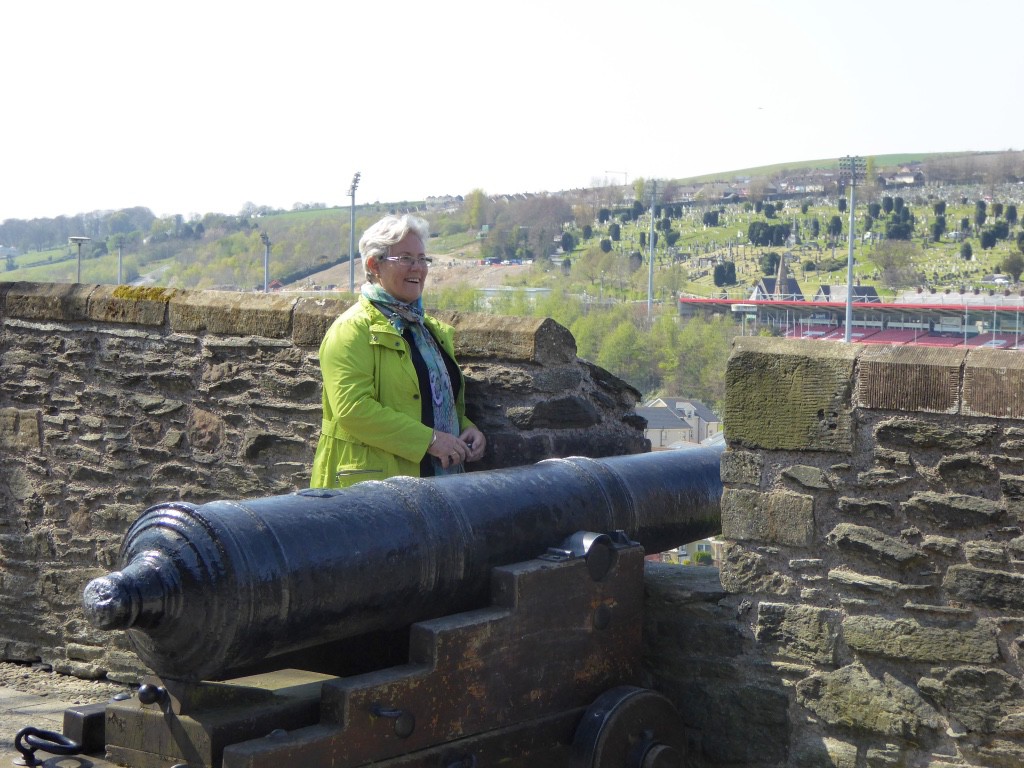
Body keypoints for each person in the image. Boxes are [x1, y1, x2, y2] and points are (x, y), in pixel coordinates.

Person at [310, 214, 486, 488]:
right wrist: (430, 441)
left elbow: (430, 400)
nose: (417, 268)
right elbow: (353, 410)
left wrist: (465, 427)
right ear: (373, 265)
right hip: (369, 491)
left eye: (421, 259)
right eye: (405, 259)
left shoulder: (429, 331)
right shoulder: (351, 329)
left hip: (436, 485)